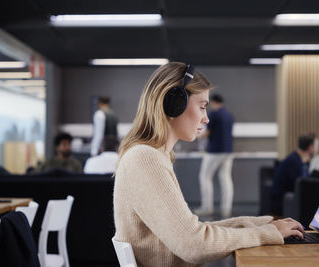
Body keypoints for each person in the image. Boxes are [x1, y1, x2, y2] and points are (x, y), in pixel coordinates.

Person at [113, 62, 304, 267]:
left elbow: (192, 233)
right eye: (202, 107)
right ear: (173, 103)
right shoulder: (145, 159)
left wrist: (258, 224)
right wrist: (265, 233)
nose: (206, 118)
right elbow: (195, 245)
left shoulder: (153, 155)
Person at [194, 94, 234, 218]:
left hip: (214, 152)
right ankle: (226, 209)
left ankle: (207, 208)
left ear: (214, 103)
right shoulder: (229, 116)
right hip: (228, 152)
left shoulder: (214, 114)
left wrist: (196, 135)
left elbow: (207, 132)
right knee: (225, 179)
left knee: (205, 177)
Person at [270, 133, 318, 216]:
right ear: (310, 147)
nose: (318, 149)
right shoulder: (293, 162)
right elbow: (302, 187)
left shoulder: (302, 161)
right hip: (282, 205)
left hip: (289, 201)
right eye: (317, 145)